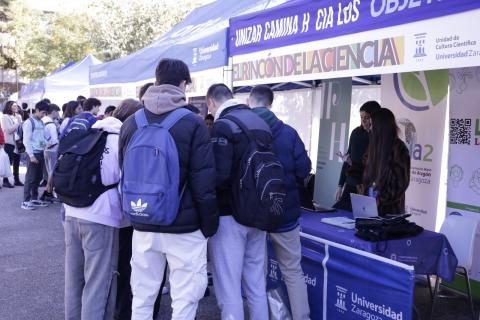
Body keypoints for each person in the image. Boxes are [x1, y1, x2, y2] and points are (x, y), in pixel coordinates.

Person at [119, 58, 218, 320]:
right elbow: (203, 181)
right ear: (183, 83)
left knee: (142, 296)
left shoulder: (131, 122)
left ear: (157, 80)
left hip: (143, 223)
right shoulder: (193, 122)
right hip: (184, 227)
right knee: (184, 298)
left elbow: (124, 171)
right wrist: (209, 226)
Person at [207, 83, 270, 320]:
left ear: (212, 102)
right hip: (260, 213)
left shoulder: (223, 125)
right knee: (255, 282)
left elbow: (219, 176)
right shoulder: (260, 123)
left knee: (229, 284)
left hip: (229, 215)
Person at [249, 85, 312, 320]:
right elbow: (304, 169)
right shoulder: (289, 133)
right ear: (271, 103)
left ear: (249, 101)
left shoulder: (241, 130)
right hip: (286, 213)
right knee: (293, 271)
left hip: (253, 216)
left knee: (256, 272)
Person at [64, 108, 125, 320]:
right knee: (99, 281)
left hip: (71, 213)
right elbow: (125, 182)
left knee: (74, 280)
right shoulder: (119, 141)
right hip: (101, 217)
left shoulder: (86, 135)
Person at [334, 101, 381, 211]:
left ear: (375, 118)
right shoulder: (356, 133)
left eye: (367, 117)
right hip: (351, 184)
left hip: (367, 188)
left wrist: (352, 163)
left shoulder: (379, 138)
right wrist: (340, 185)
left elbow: (374, 168)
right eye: (361, 117)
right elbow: (347, 159)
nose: (363, 121)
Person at [363, 108, 410, 216]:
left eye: (372, 125)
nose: (370, 128)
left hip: (390, 213)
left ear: (380, 126)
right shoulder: (373, 146)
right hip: (369, 209)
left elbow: (400, 185)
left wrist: (379, 200)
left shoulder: (399, 148)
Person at [21, 100, 49, 210]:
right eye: (42, 112)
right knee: (30, 178)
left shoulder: (41, 122)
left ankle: (34, 198)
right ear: (36, 110)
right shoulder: (29, 122)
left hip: (41, 153)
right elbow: (26, 140)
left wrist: (47, 144)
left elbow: (42, 137)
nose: (43, 115)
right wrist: (31, 156)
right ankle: (26, 201)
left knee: (38, 177)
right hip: (33, 154)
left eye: (45, 113)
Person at [1, 101, 24, 187]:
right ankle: (5, 180)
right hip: (9, 142)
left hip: (18, 142)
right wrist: (18, 123)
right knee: (8, 162)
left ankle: (17, 179)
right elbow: (8, 130)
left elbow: (21, 128)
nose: (16, 107)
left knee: (17, 161)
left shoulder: (18, 116)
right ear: (9, 106)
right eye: (14, 106)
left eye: (17, 106)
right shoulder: (5, 117)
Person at [41, 103, 61, 201]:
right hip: (53, 149)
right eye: (58, 112)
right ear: (53, 112)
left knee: (49, 171)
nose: (58, 114)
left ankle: (47, 191)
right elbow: (55, 140)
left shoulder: (42, 121)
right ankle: (47, 192)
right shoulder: (51, 124)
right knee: (52, 172)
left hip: (44, 149)